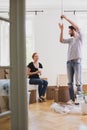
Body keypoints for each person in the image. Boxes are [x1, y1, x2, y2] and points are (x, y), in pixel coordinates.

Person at [58, 15, 83, 103]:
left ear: (73, 30)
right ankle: (72, 100)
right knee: (70, 83)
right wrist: (61, 30)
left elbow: (77, 27)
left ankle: (79, 100)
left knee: (78, 83)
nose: (68, 32)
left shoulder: (80, 37)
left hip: (77, 62)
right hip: (69, 63)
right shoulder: (70, 40)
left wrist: (66, 18)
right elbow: (61, 40)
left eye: (69, 30)